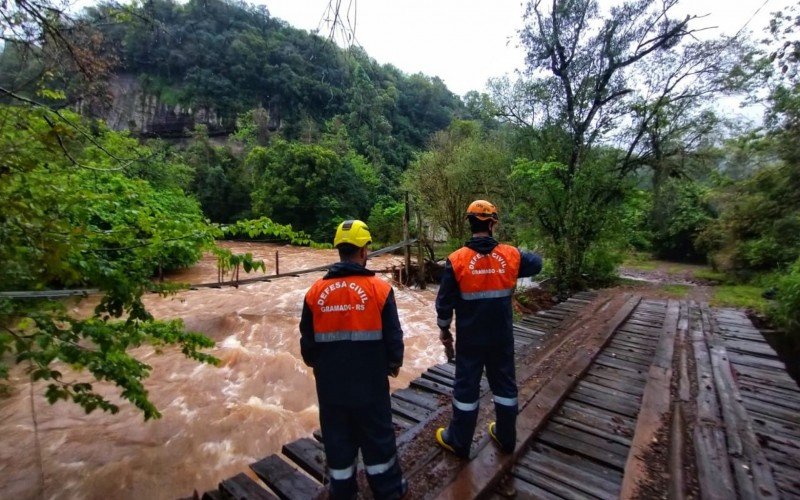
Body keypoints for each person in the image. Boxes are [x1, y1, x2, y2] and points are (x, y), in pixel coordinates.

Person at [299, 220, 407, 499]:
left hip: (331, 387)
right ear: (363, 251)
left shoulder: (314, 293)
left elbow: (308, 347)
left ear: (339, 251)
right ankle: (388, 491)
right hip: (370, 386)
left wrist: (322, 368)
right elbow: (394, 340)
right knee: (378, 440)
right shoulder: (380, 290)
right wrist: (392, 366)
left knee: (337, 442)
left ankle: (344, 492)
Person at [434, 200, 543, 458]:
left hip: (471, 339)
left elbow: (444, 303)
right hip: (501, 336)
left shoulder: (456, 260)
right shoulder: (511, 255)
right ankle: (506, 437)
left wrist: (443, 330)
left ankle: (459, 440)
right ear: (493, 223)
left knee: (466, 388)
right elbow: (537, 263)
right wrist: (510, 252)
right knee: (505, 385)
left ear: (469, 223)